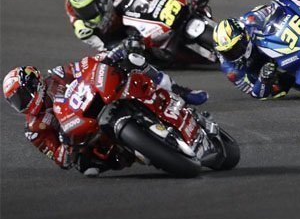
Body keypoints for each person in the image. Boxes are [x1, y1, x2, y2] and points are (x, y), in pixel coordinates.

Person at [2, 46, 207, 177]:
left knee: (132, 62)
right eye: (17, 102)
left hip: (100, 99)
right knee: (87, 168)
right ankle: (141, 150)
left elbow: (83, 66)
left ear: (34, 84)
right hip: (86, 136)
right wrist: (66, 146)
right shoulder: (35, 129)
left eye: (22, 96)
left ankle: (179, 92)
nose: (23, 104)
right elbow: (60, 159)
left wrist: (107, 57)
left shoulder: (57, 76)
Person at [212, 0, 300, 99]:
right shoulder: (231, 71)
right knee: (277, 89)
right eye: (227, 52)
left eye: (235, 48)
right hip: (262, 67)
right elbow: (254, 93)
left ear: (244, 37)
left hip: (278, 42)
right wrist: (263, 79)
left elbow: (278, 3)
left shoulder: (251, 19)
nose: (233, 54)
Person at [65, 0, 184, 51]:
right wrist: (123, 45)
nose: (88, 13)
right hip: (117, 34)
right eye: (84, 11)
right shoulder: (84, 31)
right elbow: (104, 47)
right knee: (133, 53)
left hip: (123, 13)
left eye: (90, 8)